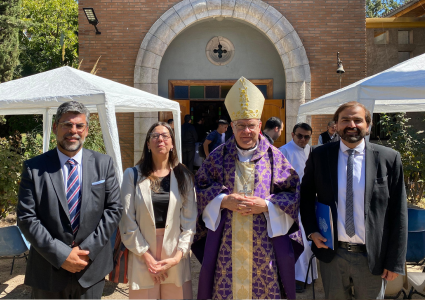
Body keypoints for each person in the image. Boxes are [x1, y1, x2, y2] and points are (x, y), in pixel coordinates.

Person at [193, 77, 303, 299]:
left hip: (264, 243)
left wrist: (267, 205)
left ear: (259, 126)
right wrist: (222, 201)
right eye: (240, 126)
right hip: (227, 242)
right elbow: (201, 187)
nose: (246, 131)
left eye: (251, 125)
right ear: (232, 126)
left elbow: (292, 192)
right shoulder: (217, 156)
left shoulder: (275, 157)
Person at [300, 101, 407, 299]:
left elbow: (399, 213)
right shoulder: (319, 155)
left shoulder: (389, 158)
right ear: (336, 125)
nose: (352, 125)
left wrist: (394, 262)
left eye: (358, 120)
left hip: (372, 257)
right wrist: (312, 231)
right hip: (332, 254)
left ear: (368, 125)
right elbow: (305, 196)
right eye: (345, 120)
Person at [17, 101, 122, 299]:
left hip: (90, 269)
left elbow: (113, 210)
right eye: (67, 124)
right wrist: (62, 255)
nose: (73, 131)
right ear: (56, 127)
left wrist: (84, 251)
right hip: (48, 270)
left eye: (79, 125)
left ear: (87, 130)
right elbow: (26, 218)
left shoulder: (104, 164)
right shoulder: (34, 168)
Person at [120, 121, 197, 299]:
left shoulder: (183, 176)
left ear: (172, 144)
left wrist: (177, 257)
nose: (160, 139)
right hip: (142, 252)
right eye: (154, 136)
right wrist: (147, 257)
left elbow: (189, 222)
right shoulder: (132, 175)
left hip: (175, 253)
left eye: (165, 136)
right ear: (148, 144)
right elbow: (127, 220)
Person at [279, 123, 318, 293]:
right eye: (300, 136)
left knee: (310, 239)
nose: (303, 140)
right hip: (291, 202)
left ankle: (308, 275)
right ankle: (296, 278)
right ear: (292, 134)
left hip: (309, 201)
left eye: (306, 137)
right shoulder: (283, 151)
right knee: (297, 238)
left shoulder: (311, 150)